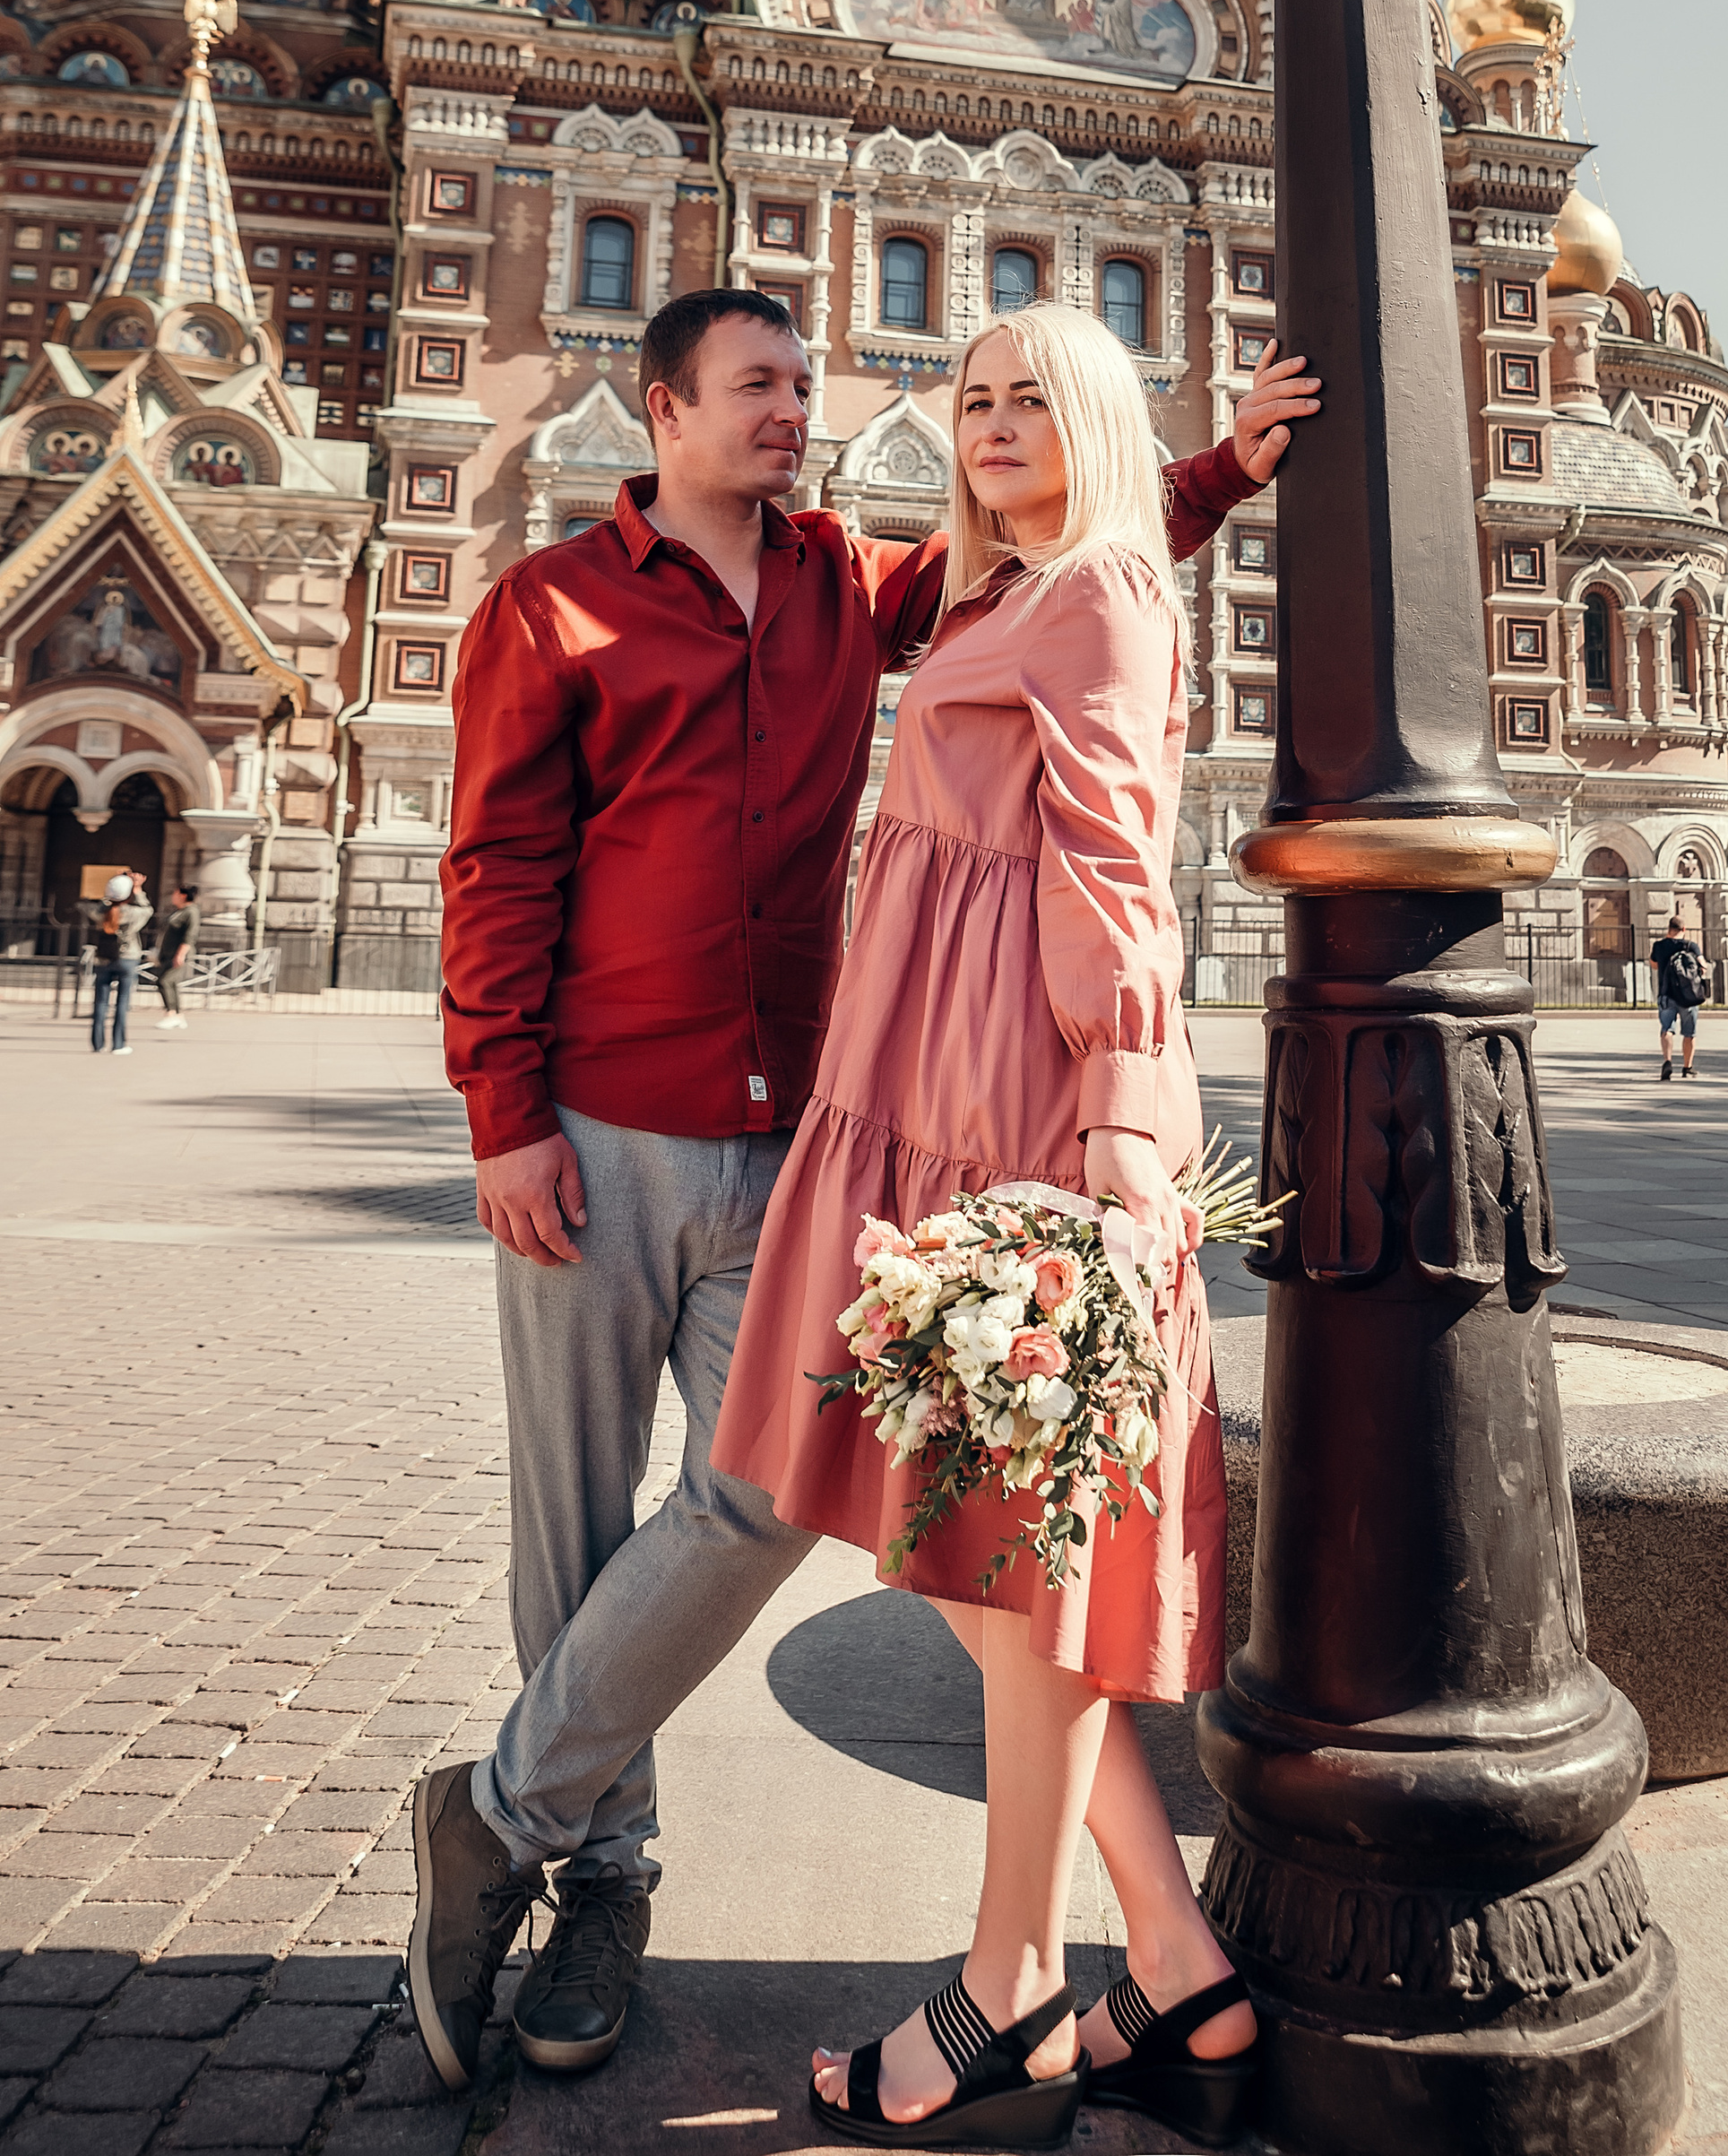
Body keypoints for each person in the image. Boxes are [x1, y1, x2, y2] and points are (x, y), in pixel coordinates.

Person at [405, 289, 1318, 2097]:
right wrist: (502, 1109)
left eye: (803, 383)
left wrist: (1206, 467)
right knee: (584, 1529)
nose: (798, 408)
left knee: (787, 1499)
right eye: (758, 385)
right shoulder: (551, 603)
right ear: (660, 412)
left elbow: (1076, 615)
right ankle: (600, 1881)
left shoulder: (848, 575)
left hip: (851, 1119)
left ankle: (507, 1814)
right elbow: (496, 863)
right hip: (604, 1119)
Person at [716, 302, 1257, 2151]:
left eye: (1038, 395)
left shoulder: (1098, 585)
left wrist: (1116, 1115)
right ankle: (1175, 1955)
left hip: (1007, 1087)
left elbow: (1114, 851)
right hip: (921, 1062)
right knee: (959, 1535)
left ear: (1096, 418)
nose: (999, 420)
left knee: (1004, 1554)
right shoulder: (996, 590)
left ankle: (1011, 1973)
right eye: (976, 397)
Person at [89, 871, 150, 1057]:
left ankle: (98, 1044)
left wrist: (111, 891)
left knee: (100, 1003)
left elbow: (97, 908)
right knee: (122, 1003)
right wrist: (138, 889)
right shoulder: (133, 913)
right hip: (127, 959)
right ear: (128, 895)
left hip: (103, 959)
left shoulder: (101, 913)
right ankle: (118, 1044)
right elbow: (147, 909)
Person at [1651, 905, 1707, 1079]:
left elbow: (1654, 965)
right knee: (1689, 1033)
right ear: (1684, 929)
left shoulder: (1659, 946)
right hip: (1687, 996)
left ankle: (1667, 1061)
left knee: (1667, 1029)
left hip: (1666, 993)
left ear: (1669, 928)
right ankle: (1687, 1067)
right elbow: (1703, 965)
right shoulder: (1691, 946)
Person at [153, 885, 199, 1031]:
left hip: (178, 954)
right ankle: (178, 1015)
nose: (172, 896)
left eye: (175, 894)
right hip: (168, 953)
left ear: (183, 895)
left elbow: (190, 935)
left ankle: (171, 1013)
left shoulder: (191, 912)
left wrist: (181, 954)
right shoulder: (179, 911)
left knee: (165, 981)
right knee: (170, 983)